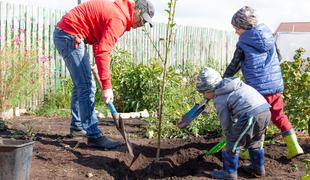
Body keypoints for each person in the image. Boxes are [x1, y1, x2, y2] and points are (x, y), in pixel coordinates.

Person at [53, 0, 154, 149]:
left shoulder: (120, 12)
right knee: (87, 86)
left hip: (69, 33)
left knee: (81, 84)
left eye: (146, 22)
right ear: (136, 11)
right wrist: (107, 86)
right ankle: (94, 136)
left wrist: (95, 64)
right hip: (70, 35)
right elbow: (103, 51)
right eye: (143, 19)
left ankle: (77, 126)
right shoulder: (118, 19)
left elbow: (99, 41)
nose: (142, 24)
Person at [223, 6, 303, 159]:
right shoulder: (270, 38)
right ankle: (295, 147)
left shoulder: (242, 44)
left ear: (244, 27)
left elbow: (234, 65)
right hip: (275, 87)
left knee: (256, 120)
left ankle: (248, 151)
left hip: (257, 91)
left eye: (236, 28)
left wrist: (223, 80)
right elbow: (278, 58)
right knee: (278, 116)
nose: (236, 32)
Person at [196, 67, 271, 179]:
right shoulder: (234, 85)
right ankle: (258, 169)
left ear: (209, 90)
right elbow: (239, 109)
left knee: (231, 145)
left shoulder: (219, 99)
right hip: (265, 111)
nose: (204, 96)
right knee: (255, 141)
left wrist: (229, 136)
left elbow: (225, 122)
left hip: (251, 115)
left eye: (203, 93)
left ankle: (229, 173)